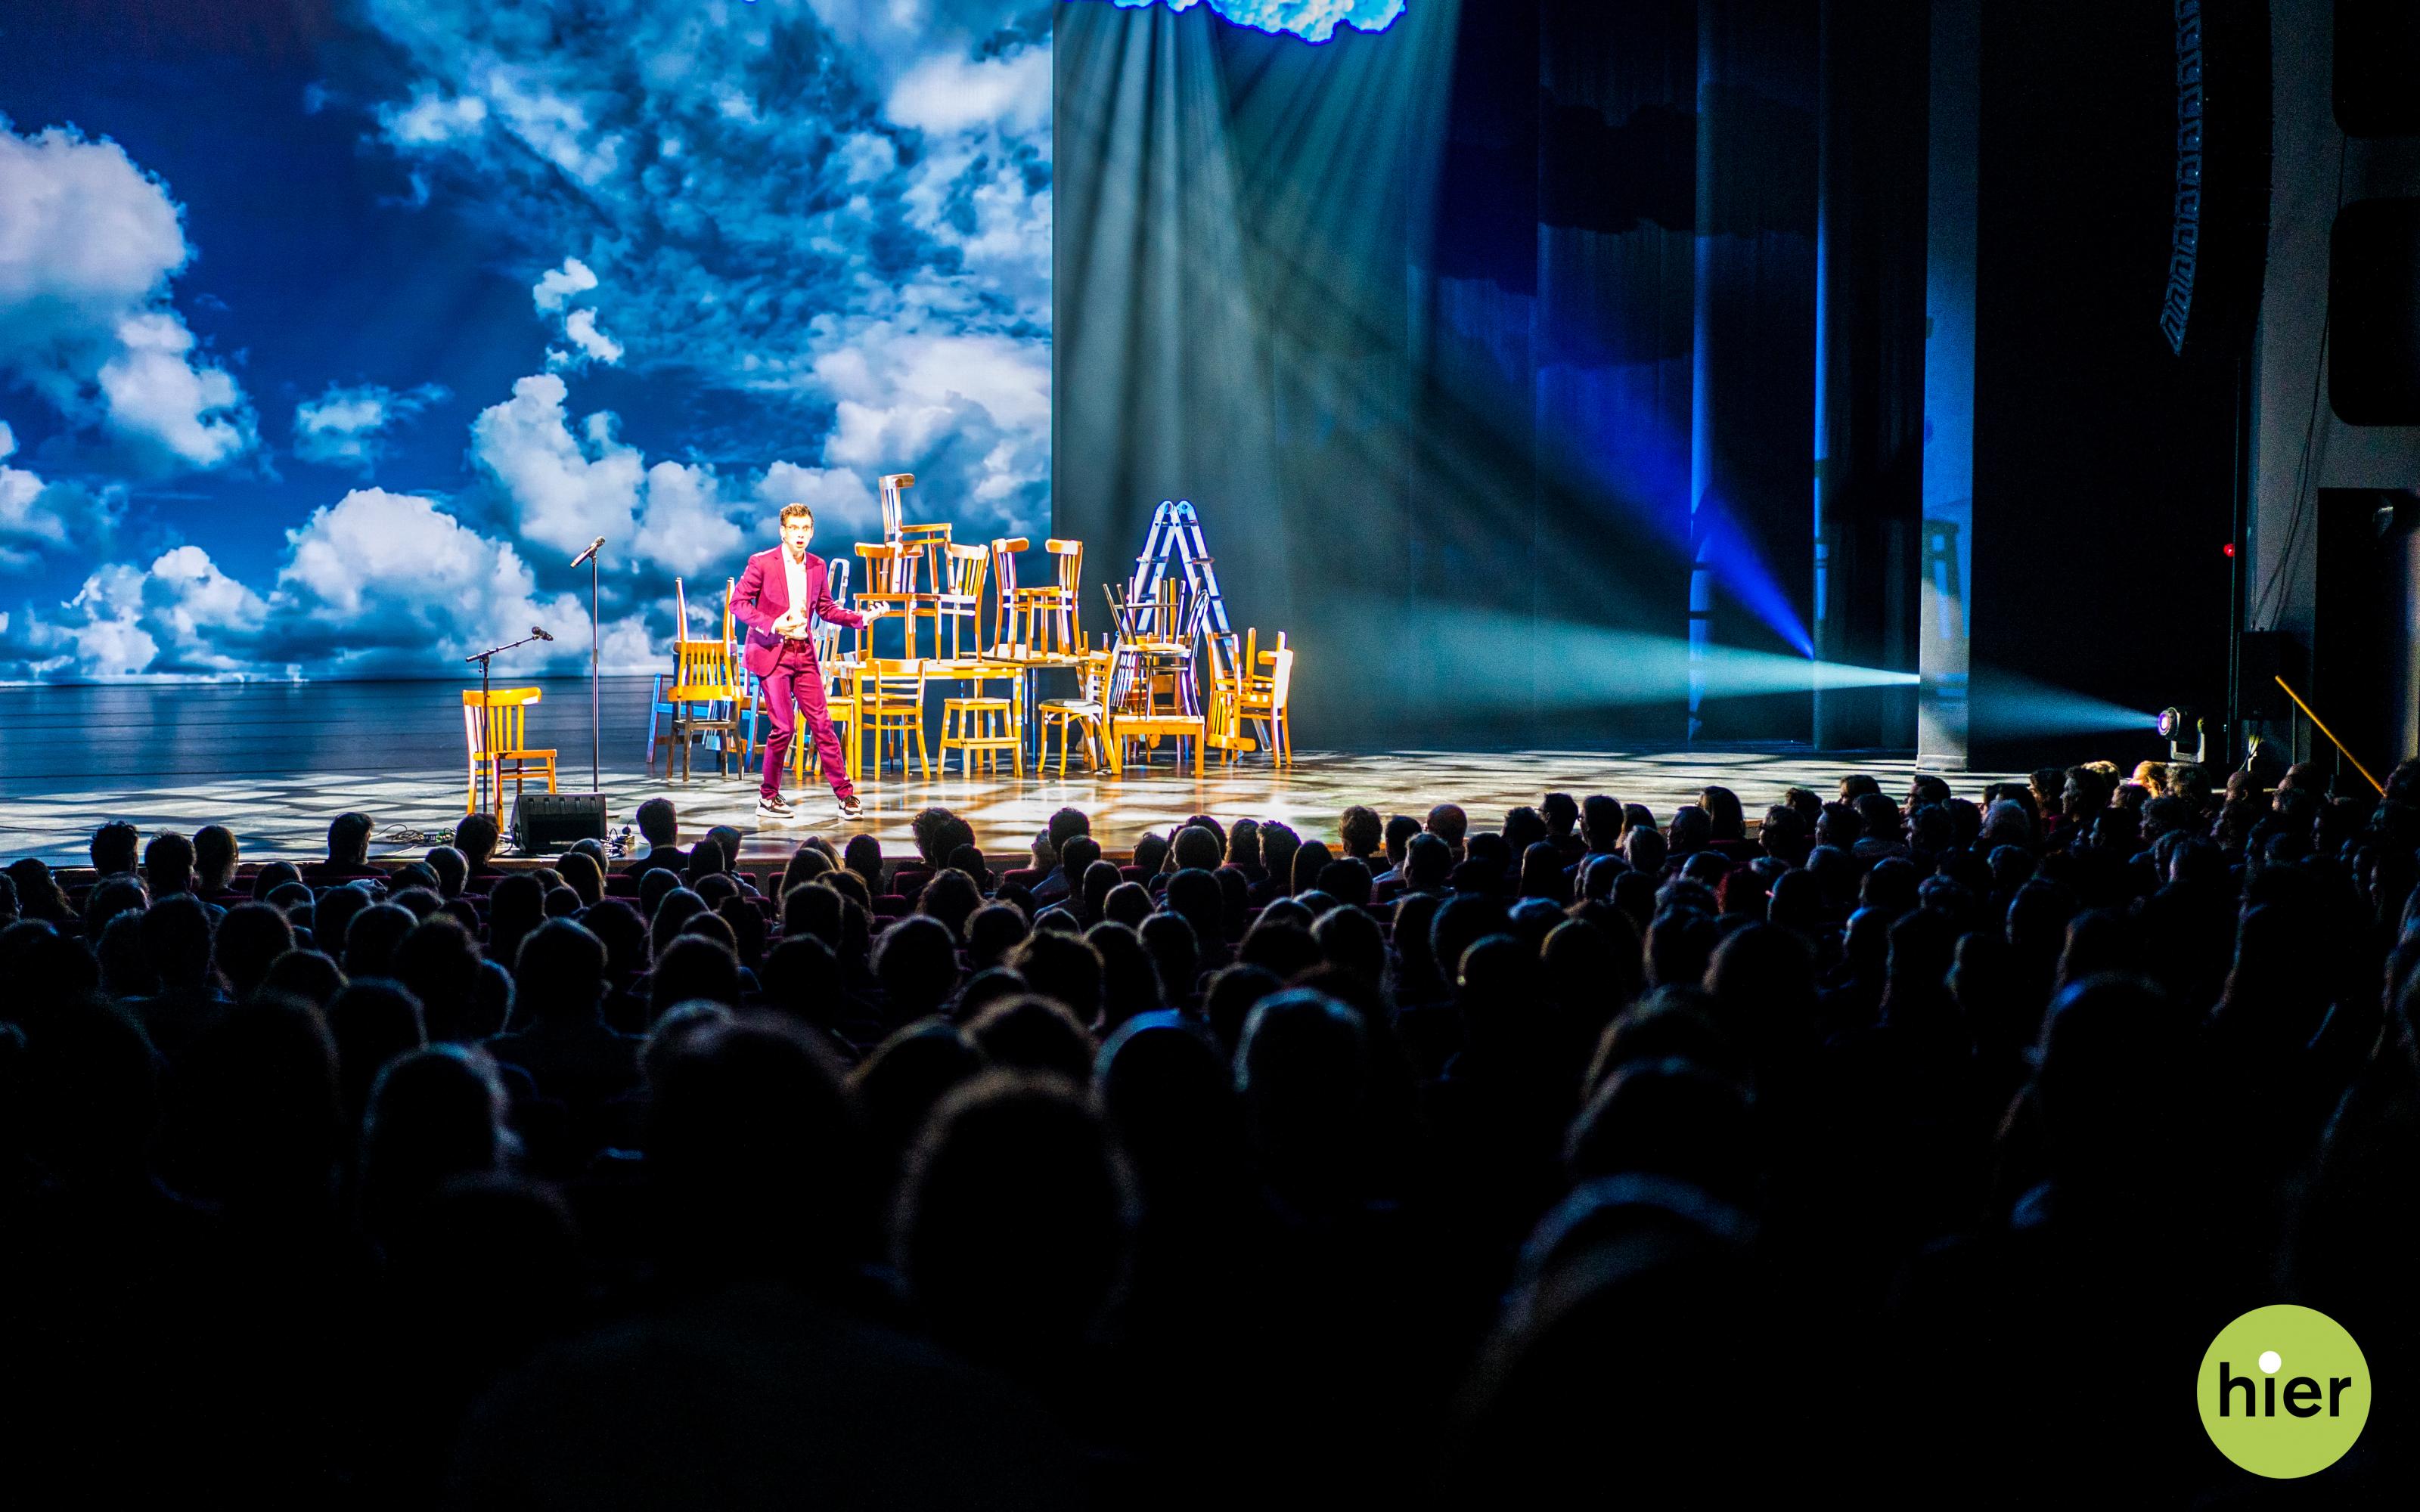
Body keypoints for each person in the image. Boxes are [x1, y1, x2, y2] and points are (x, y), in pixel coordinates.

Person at [731, 502, 886, 822]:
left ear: (811, 532)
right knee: (784, 727)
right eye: (794, 529)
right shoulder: (761, 563)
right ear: (783, 532)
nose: (800, 535)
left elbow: (827, 609)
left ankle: (845, 796)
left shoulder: (816, 566)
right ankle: (768, 797)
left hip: (803, 653)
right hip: (772, 651)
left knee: (823, 724)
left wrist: (861, 618)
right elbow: (738, 603)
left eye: (805, 529)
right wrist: (774, 624)